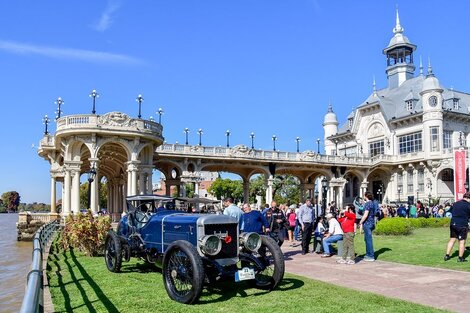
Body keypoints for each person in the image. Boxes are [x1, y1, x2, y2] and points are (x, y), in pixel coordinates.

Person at [444, 192, 470, 262]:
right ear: (468, 198)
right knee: (462, 241)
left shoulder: (455, 203)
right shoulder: (468, 205)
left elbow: (450, 211)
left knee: (452, 240)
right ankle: (460, 258)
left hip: (453, 223)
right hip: (462, 225)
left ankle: (447, 255)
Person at [359, 191, 377, 262]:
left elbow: (365, 214)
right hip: (371, 223)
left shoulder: (367, 204)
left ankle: (370, 256)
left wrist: (361, 222)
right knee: (367, 239)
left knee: (368, 240)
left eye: (364, 195)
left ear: (366, 196)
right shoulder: (372, 203)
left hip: (367, 223)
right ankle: (368, 254)